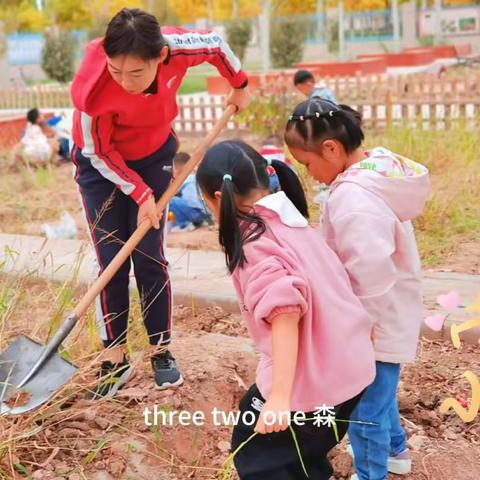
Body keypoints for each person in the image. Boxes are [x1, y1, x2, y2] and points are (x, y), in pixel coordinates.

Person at [70, 7, 250, 396]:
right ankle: (114, 357)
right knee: (112, 259)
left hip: (152, 157)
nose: (125, 82)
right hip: (101, 167)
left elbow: (217, 46)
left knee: (149, 256)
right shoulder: (92, 90)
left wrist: (241, 82)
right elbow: (98, 153)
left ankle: (161, 349)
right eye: (117, 71)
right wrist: (140, 194)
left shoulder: (178, 47)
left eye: (136, 73)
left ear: (160, 58)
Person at [196, 141, 376, 480]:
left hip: (317, 383)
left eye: (205, 200)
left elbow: (285, 314)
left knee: (256, 454)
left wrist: (279, 397)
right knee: (301, 454)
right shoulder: (290, 219)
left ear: (218, 198)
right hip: (352, 371)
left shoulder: (255, 243)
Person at [284, 98, 431, 480]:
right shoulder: (376, 167)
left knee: (366, 407)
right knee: (380, 393)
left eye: (309, 164)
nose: (310, 174)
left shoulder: (353, 199)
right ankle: (397, 451)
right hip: (390, 310)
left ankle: (372, 474)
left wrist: (356, 326)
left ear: (331, 149)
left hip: (373, 320)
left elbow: (369, 269)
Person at [169, 151, 212, 232]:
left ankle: (184, 224)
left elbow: (173, 192)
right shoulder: (195, 177)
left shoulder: (187, 178)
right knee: (176, 204)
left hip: (196, 213)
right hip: (204, 214)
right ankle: (195, 223)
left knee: (171, 201)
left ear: (178, 168)